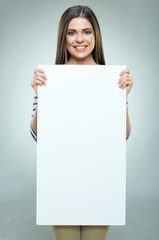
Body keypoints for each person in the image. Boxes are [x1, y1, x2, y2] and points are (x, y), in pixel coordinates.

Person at [30, 5, 134, 240]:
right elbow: (37, 135)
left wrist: (121, 98)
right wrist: (41, 95)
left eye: (86, 32)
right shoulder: (50, 78)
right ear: (63, 37)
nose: (80, 39)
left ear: (95, 35)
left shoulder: (112, 79)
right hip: (59, 182)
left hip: (100, 181)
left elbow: (123, 136)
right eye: (71, 32)